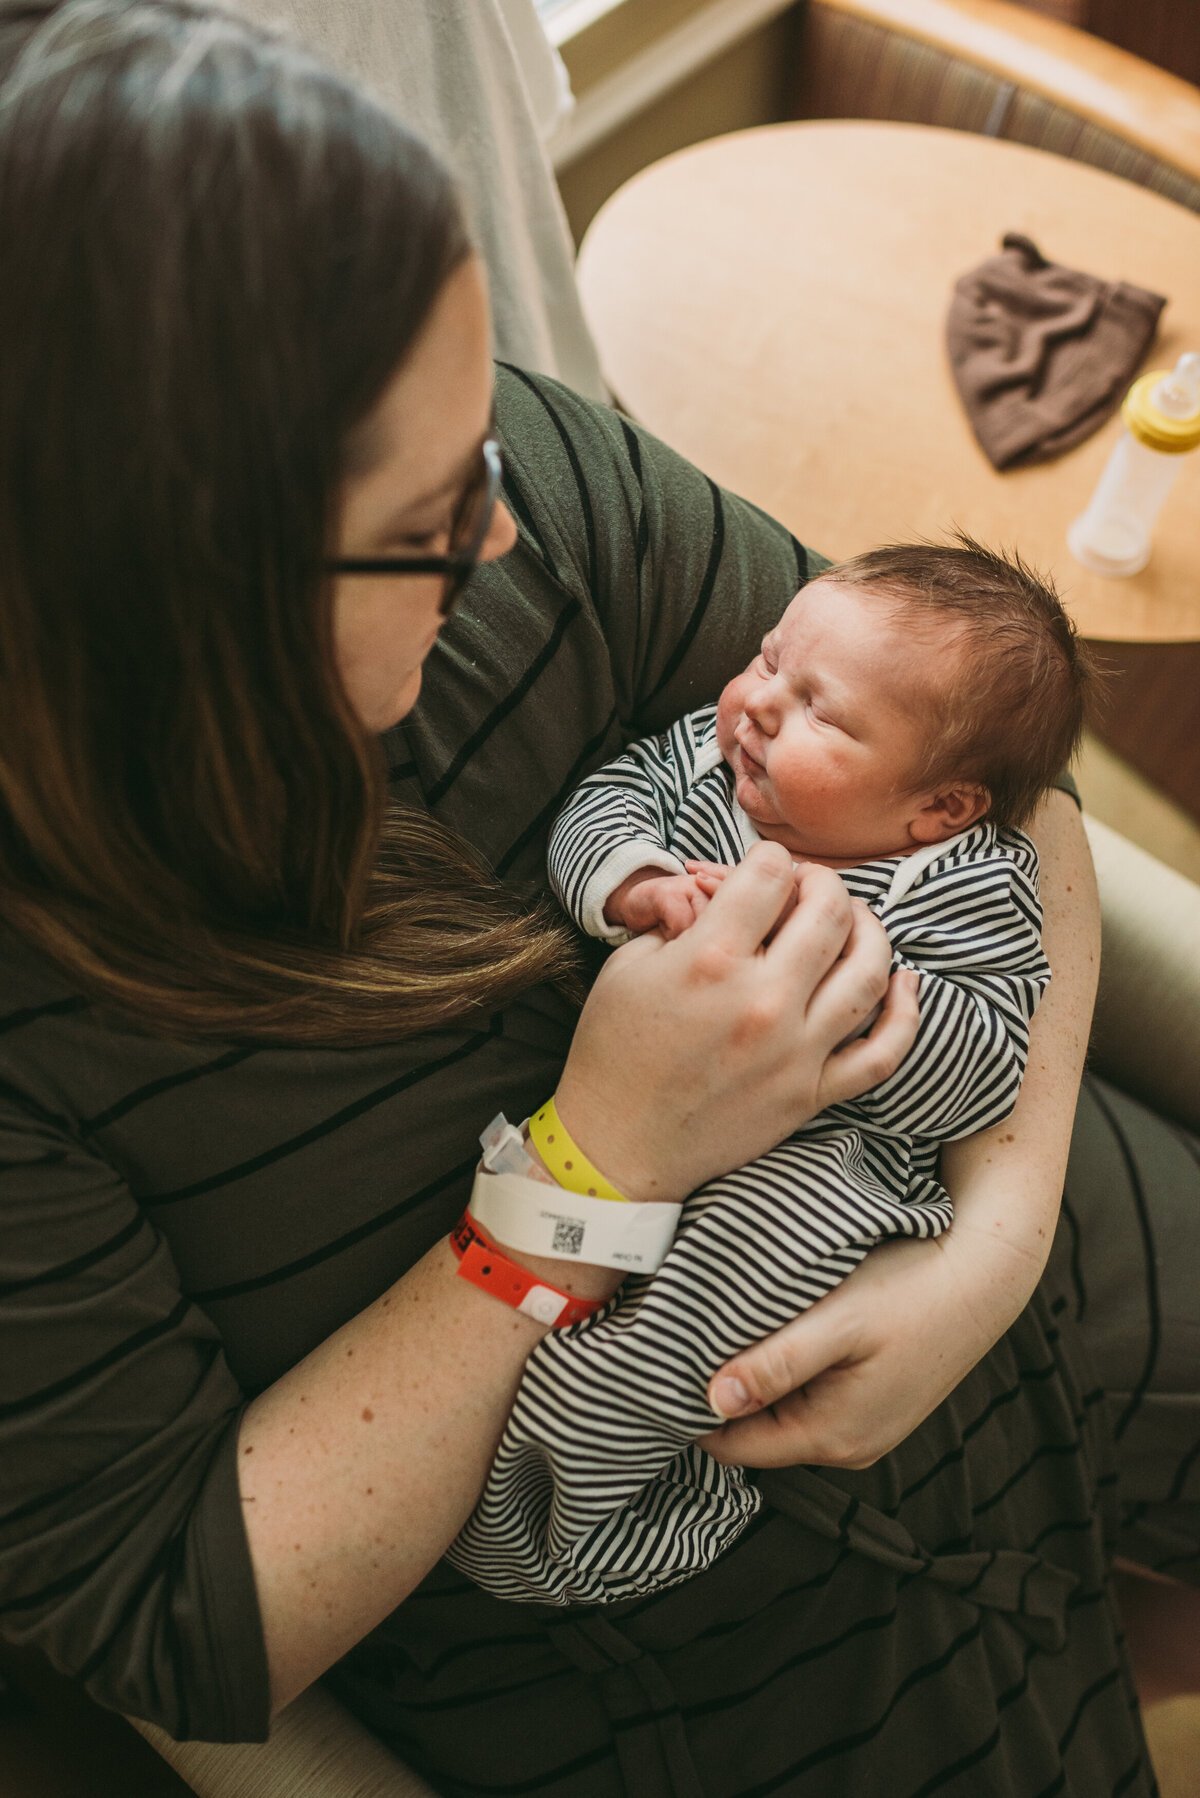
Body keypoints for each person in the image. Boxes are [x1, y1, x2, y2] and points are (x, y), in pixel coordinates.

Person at [0, 6, 1195, 1795]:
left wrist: (996, 1230)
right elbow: (193, 1617)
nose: (496, 534)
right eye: (424, 515)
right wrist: (591, 1161)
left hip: (1054, 1252)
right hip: (687, 1617)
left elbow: (989, 790)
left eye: (484, 439)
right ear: (178, 600)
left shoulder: (528, 491)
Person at [449, 540, 1092, 1606]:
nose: (753, 703)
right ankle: (518, 1468)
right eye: (765, 657)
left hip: (815, 1177)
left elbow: (985, 1068)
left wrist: (844, 995)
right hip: (634, 1127)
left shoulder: (973, 882)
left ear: (940, 808)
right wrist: (634, 884)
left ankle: (582, 1518)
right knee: (551, 1277)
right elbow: (598, 808)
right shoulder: (710, 768)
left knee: (678, 1332)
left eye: (817, 712)